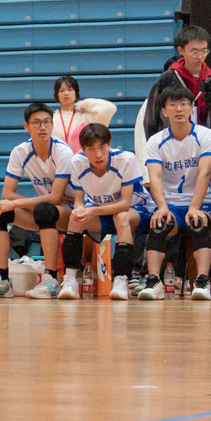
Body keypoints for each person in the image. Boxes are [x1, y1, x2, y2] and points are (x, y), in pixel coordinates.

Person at [0, 102, 73, 299]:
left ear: (52, 125)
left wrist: (18, 203)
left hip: (71, 212)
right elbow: (7, 193)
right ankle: (2, 280)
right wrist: (17, 204)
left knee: (44, 209)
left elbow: (55, 197)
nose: (42, 127)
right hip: (44, 210)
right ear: (26, 126)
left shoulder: (63, 152)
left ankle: (51, 280)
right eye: (36, 123)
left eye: (46, 122)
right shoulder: (20, 151)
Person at [139, 85, 211, 300]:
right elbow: (154, 177)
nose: (179, 109)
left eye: (184, 104)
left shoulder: (207, 136)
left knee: (197, 222)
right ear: (164, 111)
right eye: (173, 104)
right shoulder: (156, 141)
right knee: (159, 224)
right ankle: (153, 281)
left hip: (202, 201)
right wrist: (163, 207)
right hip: (171, 203)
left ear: (191, 109)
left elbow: (205, 173)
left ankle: (202, 282)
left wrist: (194, 207)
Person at [64, 124, 149, 301]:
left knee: (121, 217)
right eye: (91, 149)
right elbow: (78, 201)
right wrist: (80, 211)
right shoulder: (77, 163)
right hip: (102, 213)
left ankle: (121, 280)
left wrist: (93, 211)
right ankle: (70, 280)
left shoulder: (126, 159)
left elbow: (125, 204)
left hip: (138, 211)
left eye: (102, 147)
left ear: (110, 144)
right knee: (75, 218)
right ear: (83, 149)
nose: (98, 154)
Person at [50, 75, 116, 150]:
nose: (66, 93)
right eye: (62, 90)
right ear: (57, 94)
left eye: (70, 89)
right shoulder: (51, 118)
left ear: (76, 93)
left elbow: (110, 108)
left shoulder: (87, 117)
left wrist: (84, 104)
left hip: (84, 160)